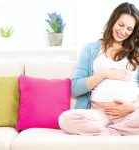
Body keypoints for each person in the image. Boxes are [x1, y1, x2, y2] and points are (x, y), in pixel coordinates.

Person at [59, 2, 139, 136]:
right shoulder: (91, 49)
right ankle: (118, 133)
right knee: (65, 119)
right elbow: (75, 88)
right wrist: (104, 74)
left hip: (129, 113)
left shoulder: (136, 54)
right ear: (113, 21)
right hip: (99, 113)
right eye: (121, 25)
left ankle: (108, 133)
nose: (123, 31)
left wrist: (134, 106)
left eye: (129, 29)